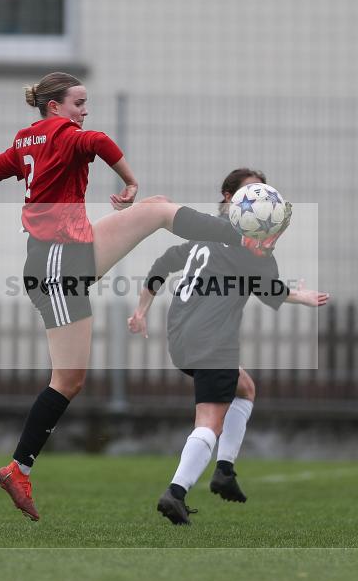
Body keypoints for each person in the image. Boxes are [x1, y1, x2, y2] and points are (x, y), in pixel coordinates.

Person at [0, 72, 248, 522]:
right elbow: (97, 141)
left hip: (65, 252)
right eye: (78, 102)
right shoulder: (66, 133)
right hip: (58, 266)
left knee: (156, 208)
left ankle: (235, 234)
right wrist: (129, 180)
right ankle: (18, 469)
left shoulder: (27, 139)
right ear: (55, 106)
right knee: (68, 380)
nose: (84, 110)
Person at [127, 169, 330, 525]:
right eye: (251, 194)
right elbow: (268, 290)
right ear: (230, 198)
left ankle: (224, 470)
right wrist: (301, 295)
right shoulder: (246, 247)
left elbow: (163, 264)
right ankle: (176, 492)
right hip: (213, 341)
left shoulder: (206, 237)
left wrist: (141, 311)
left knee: (244, 388)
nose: (259, 202)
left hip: (181, 337)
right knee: (209, 421)